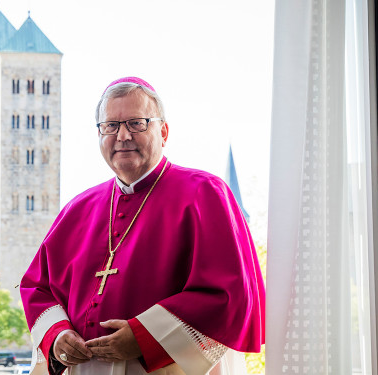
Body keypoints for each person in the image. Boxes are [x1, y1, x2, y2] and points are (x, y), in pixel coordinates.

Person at [20, 77, 265, 375]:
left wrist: (146, 337)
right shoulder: (76, 209)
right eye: (110, 126)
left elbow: (231, 295)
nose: (122, 135)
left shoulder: (205, 194)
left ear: (163, 131)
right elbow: (37, 286)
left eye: (136, 123)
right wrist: (57, 335)